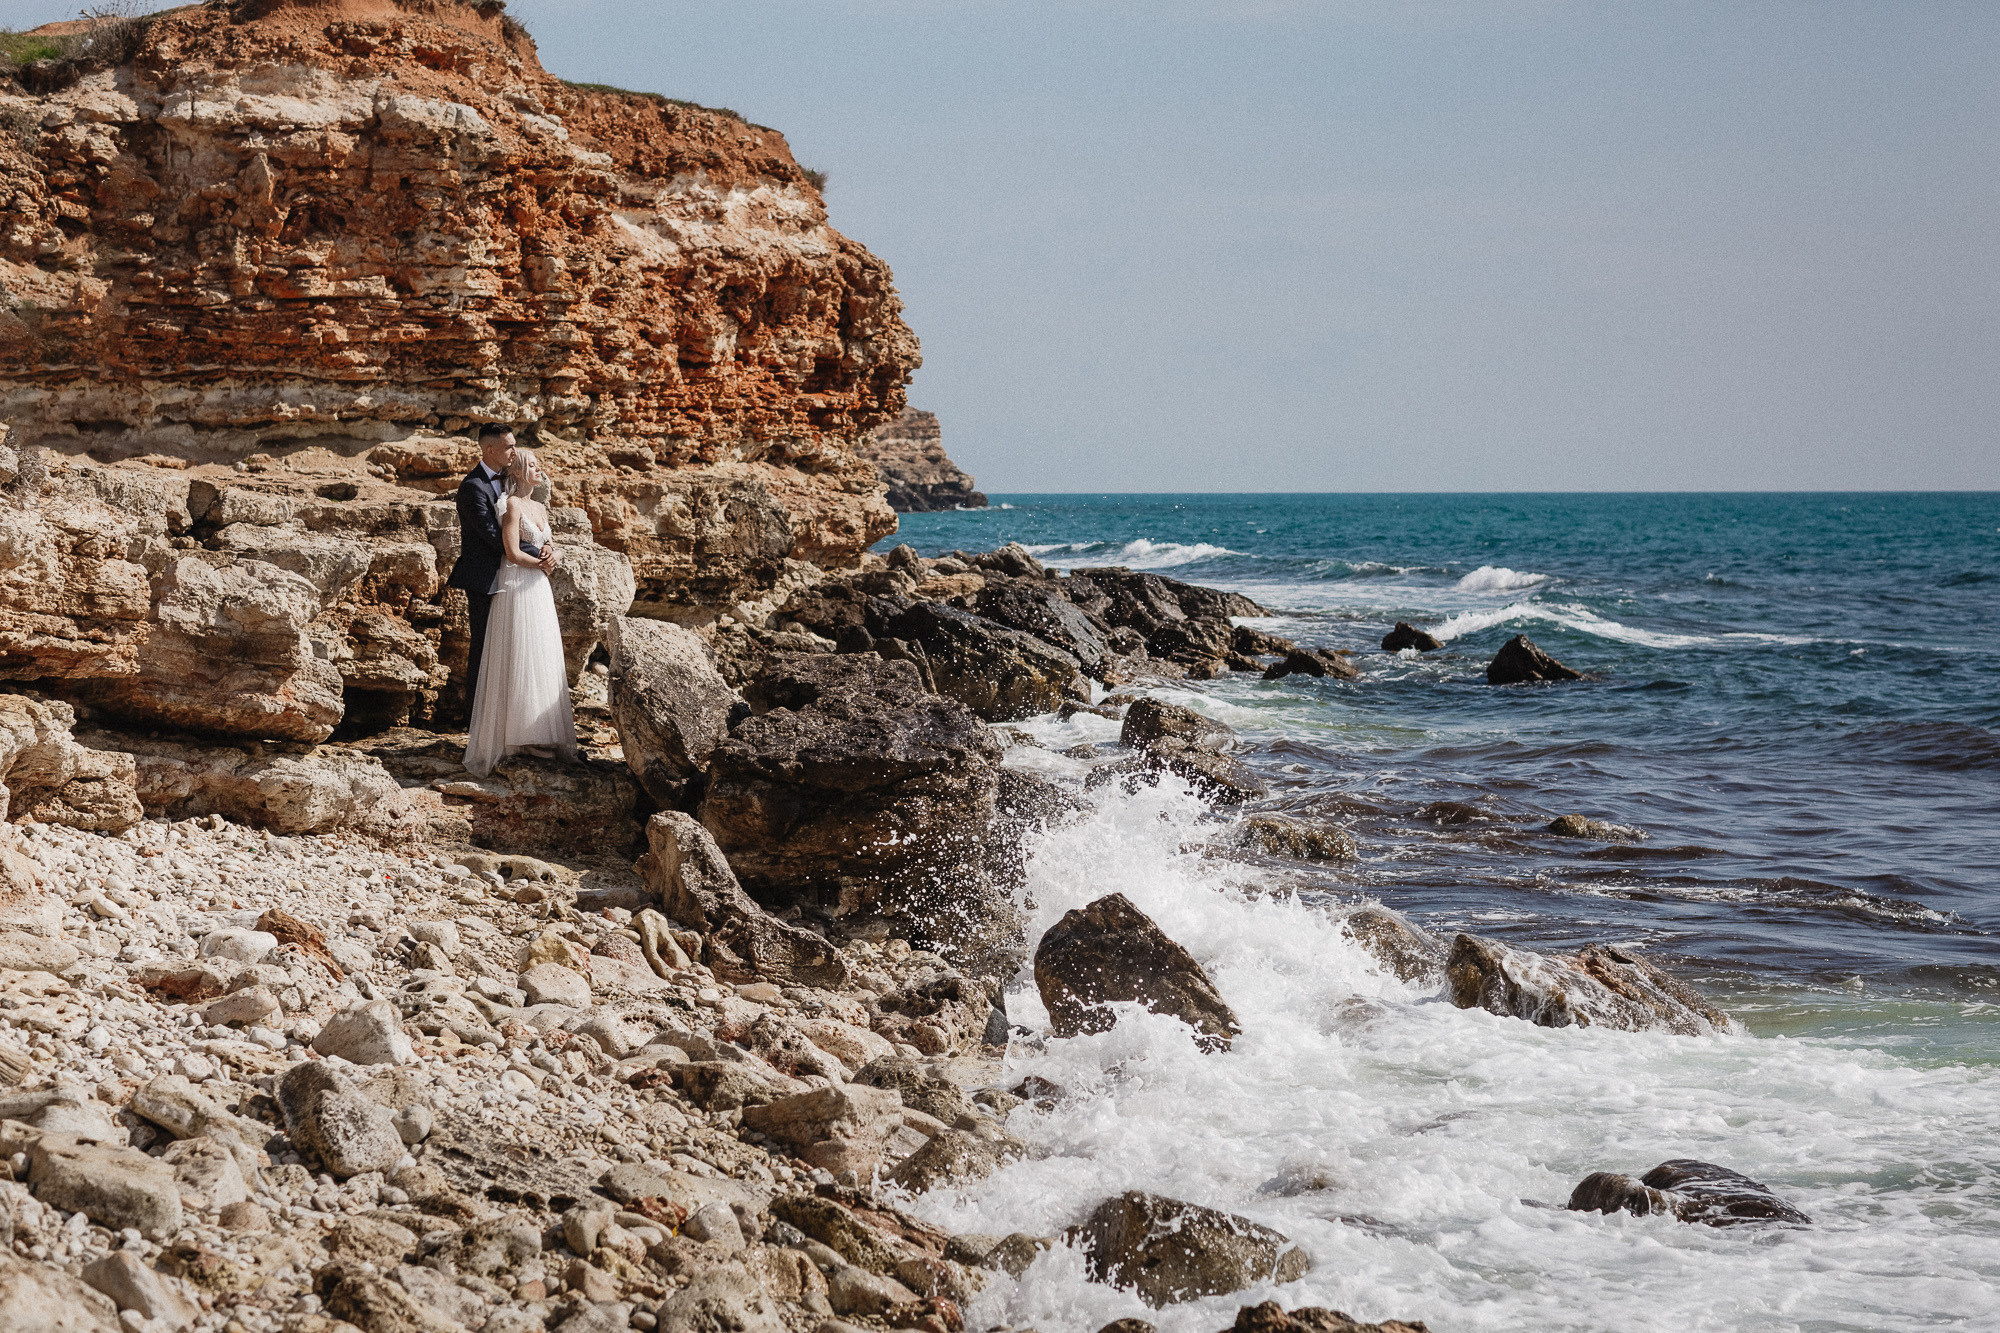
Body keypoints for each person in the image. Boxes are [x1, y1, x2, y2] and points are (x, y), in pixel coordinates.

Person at [462, 448, 578, 776]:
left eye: (539, 465)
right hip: (517, 583)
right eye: (532, 465)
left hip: (538, 587)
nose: (539, 469)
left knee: (540, 653)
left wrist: (553, 554)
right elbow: (511, 552)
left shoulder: (539, 507)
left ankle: (538, 732)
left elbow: (548, 543)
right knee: (520, 653)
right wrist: (541, 564)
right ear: (517, 471)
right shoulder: (511, 505)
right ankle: (517, 738)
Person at [446, 425, 554, 712]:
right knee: (484, 647)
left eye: (515, 445)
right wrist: (537, 553)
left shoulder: (511, 480)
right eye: (509, 447)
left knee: (515, 647)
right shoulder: (472, 487)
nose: (514, 451)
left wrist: (547, 545)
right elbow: (492, 536)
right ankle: (475, 717)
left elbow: (527, 520)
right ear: (490, 449)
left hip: (515, 577)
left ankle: (510, 713)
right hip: (486, 577)